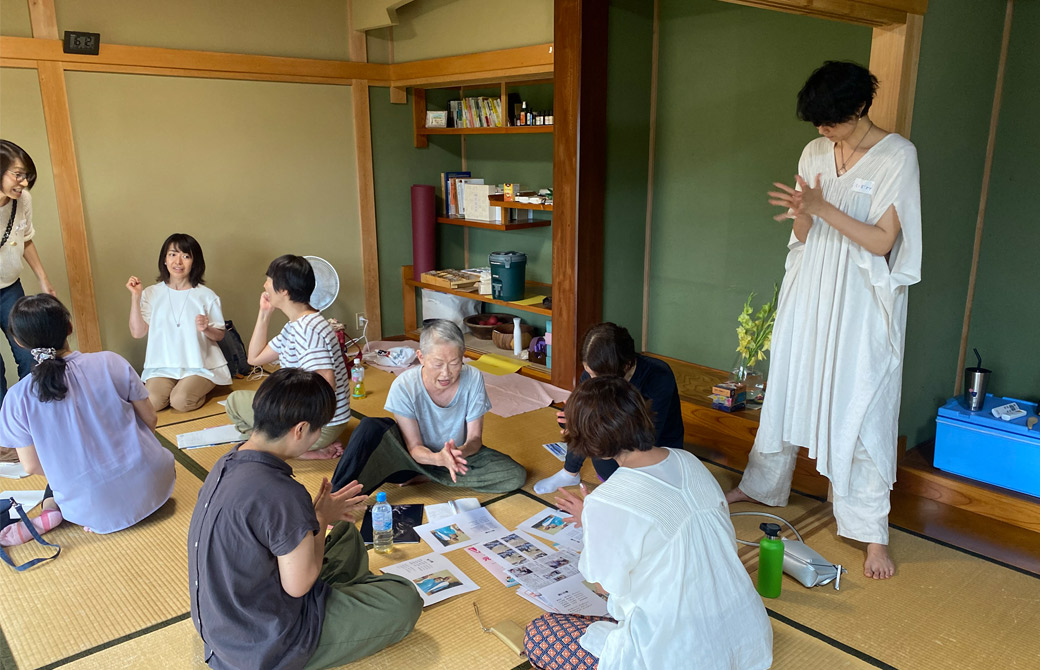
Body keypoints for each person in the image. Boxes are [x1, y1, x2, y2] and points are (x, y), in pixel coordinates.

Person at [725, 61, 922, 580]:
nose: (821, 131)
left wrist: (821, 206)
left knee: (860, 399)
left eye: (830, 121)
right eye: (815, 122)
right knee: (788, 384)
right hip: (811, 286)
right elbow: (809, 236)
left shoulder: (898, 156)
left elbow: (883, 243)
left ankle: (870, 529)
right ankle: (764, 485)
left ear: (859, 108)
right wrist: (803, 211)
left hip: (860, 299)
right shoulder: (815, 152)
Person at [524, 376, 772, 670]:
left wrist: (592, 522)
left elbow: (604, 585)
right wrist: (592, 515)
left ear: (592, 442)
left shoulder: (608, 500)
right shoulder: (688, 460)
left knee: (539, 634)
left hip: (679, 656)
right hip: (749, 640)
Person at [188, 367, 421, 670]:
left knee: (347, 535)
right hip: (265, 644)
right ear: (300, 430)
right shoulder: (282, 491)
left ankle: (344, 597)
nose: (316, 438)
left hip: (224, 623)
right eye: (317, 430)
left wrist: (318, 517)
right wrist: (320, 518)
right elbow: (298, 587)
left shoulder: (227, 462)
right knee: (405, 599)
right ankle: (344, 604)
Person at [0, 294, 175, 539]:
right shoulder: (109, 361)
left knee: (60, 478)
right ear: (69, 328)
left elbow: (30, 465)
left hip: (92, 508)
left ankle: (50, 508)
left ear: (18, 342)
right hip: (156, 483)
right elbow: (151, 418)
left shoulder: (16, 398)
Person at [331, 319, 526, 494]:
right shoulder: (404, 385)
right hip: (410, 459)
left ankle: (430, 476)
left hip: (458, 457)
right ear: (421, 357)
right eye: (438, 364)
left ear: (463, 356)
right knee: (370, 428)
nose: (446, 373)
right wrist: (437, 459)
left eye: (455, 363)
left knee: (514, 475)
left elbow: (474, 440)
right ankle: (335, 497)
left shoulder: (473, 378)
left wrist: (458, 453)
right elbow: (414, 448)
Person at [533, 322, 683, 494]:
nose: (591, 379)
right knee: (583, 422)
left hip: (652, 450)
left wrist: (590, 427)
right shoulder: (592, 375)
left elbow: (649, 436)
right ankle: (570, 472)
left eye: (596, 375)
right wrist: (573, 421)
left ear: (625, 366)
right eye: (588, 373)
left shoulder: (658, 375)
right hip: (612, 447)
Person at [224, 255, 349, 460]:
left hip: (313, 428)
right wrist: (264, 314)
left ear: (283, 290)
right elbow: (254, 358)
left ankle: (299, 451)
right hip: (318, 425)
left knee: (234, 402)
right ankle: (289, 445)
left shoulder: (307, 330)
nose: (265, 285)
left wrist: (299, 424)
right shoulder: (298, 324)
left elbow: (326, 380)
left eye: (269, 280)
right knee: (261, 406)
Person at [127, 233, 231, 413]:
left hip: (199, 366)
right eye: (173, 254)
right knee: (152, 403)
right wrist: (135, 297)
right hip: (162, 366)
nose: (178, 261)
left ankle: (196, 389)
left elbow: (220, 334)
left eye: (186, 256)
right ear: (165, 260)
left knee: (181, 401)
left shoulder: (206, 295)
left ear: (194, 262)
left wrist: (206, 328)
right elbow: (137, 332)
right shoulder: (151, 293)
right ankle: (177, 388)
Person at [0, 140, 57, 406]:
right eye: (18, 174)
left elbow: (26, 238)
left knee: (29, 354)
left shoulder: (22, 200)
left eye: (26, 176)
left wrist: (44, 279)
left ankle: (30, 416)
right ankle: (4, 433)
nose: (23, 182)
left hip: (10, 288)